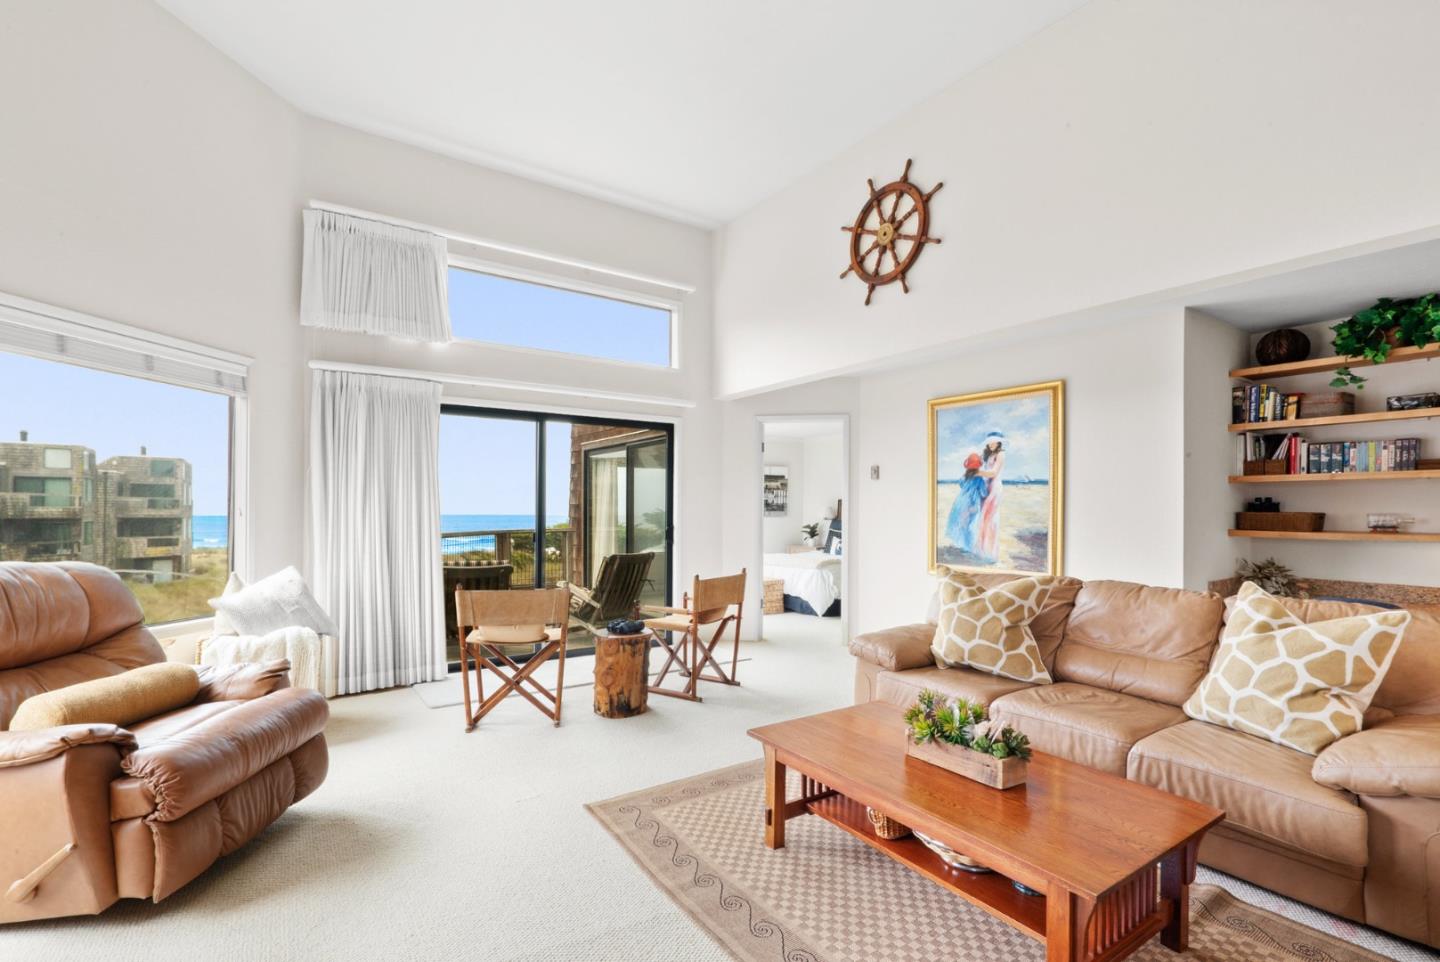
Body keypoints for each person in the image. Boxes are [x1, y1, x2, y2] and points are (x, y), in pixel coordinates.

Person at [945, 452, 987, 554]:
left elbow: (960, 483)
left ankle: (961, 546)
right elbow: (983, 493)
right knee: (969, 525)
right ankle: (968, 548)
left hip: (959, 502)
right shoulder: (979, 478)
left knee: (961, 523)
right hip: (971, 503)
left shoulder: (964, 476)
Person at [975, 432, 1005, 561]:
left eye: (995, 441)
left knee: (991, 519)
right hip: (985, 488)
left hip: (994, 488)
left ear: (999, 442)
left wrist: (977, 472)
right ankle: (982, 550)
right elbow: (976, 463)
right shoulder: (986, 454)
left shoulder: (1001, 454)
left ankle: (991, 553)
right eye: (990, 441)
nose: (992, 444)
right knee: (983, 518)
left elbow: (993, 473)